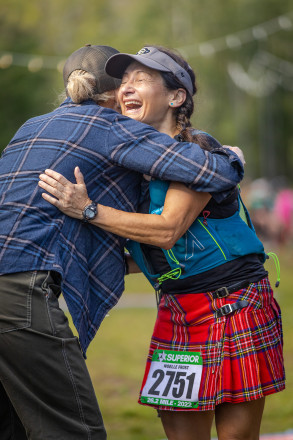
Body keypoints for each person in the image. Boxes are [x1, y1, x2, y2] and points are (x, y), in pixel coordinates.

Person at [39, 46, 285, 440]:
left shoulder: (198, 152)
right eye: (124, 82)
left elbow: (168, 228)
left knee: (237, 437)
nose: (127, 89)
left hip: (233, 301)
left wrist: (86, 209)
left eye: (141, 79)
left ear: (176, 97)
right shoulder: (130, 166)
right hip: (177, 306)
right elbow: (155, 250)